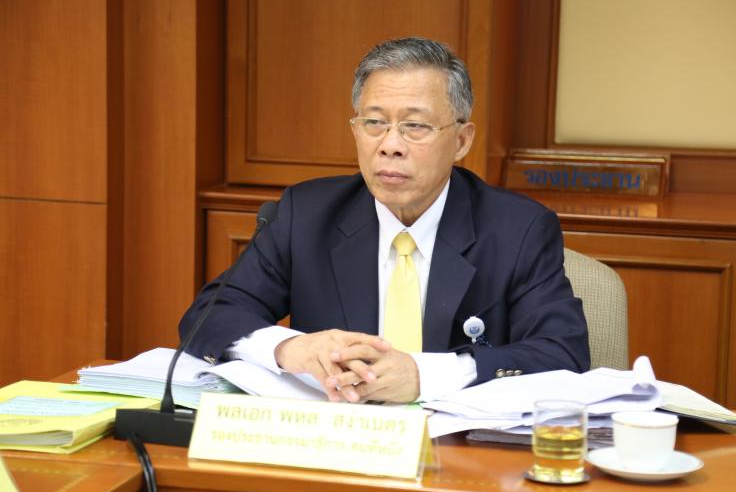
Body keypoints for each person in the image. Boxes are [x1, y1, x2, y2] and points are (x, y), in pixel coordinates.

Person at [179, 37, 589, 404]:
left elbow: (563, 351)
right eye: (374, 123)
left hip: (457, 448)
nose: (390, 145)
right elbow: (209, 316)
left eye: (415, 126)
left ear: (462, 140)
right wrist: (290, 349)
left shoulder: (518, 229)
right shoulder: (306, 215)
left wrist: (424, 375)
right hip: (334, 438)